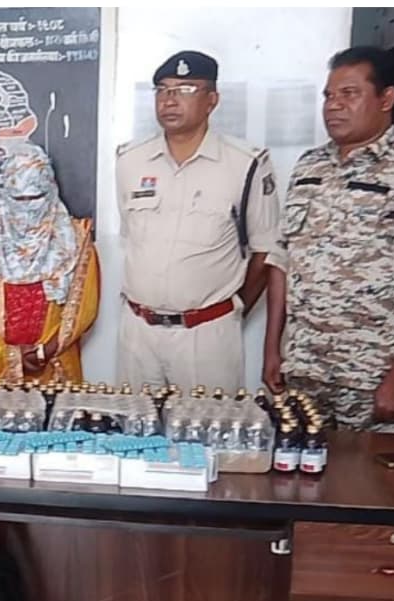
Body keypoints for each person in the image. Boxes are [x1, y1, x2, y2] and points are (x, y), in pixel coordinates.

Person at [263, 46, 394, 431]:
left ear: (386, 99)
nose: (334, 105)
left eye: (349, 94)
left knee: (370, 472)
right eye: (329, 95)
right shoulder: (309, 166)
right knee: (298, 468)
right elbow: (281, 260)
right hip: (303, 371)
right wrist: (273, 348)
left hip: (372, 377)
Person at [116, 51, 280, 393]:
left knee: (207, 425)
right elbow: (132, 238)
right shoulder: (130, 160)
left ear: (212, 100)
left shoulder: (245, 164)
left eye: (186, 89)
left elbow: (265, 252)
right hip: (138, 332)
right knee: (133, 423)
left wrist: (229, 310)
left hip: (206, 337)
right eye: (163, 89)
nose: (169, 100)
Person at [0, 143, 100, 384]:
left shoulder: (75, 241)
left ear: (51, 192)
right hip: (0, 375)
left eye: (35, 198)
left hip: (56, 365)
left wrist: (47, 350)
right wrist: (11, 357)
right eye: (18, 199)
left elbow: (84, 308)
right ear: (5, 196)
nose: (27, 208)